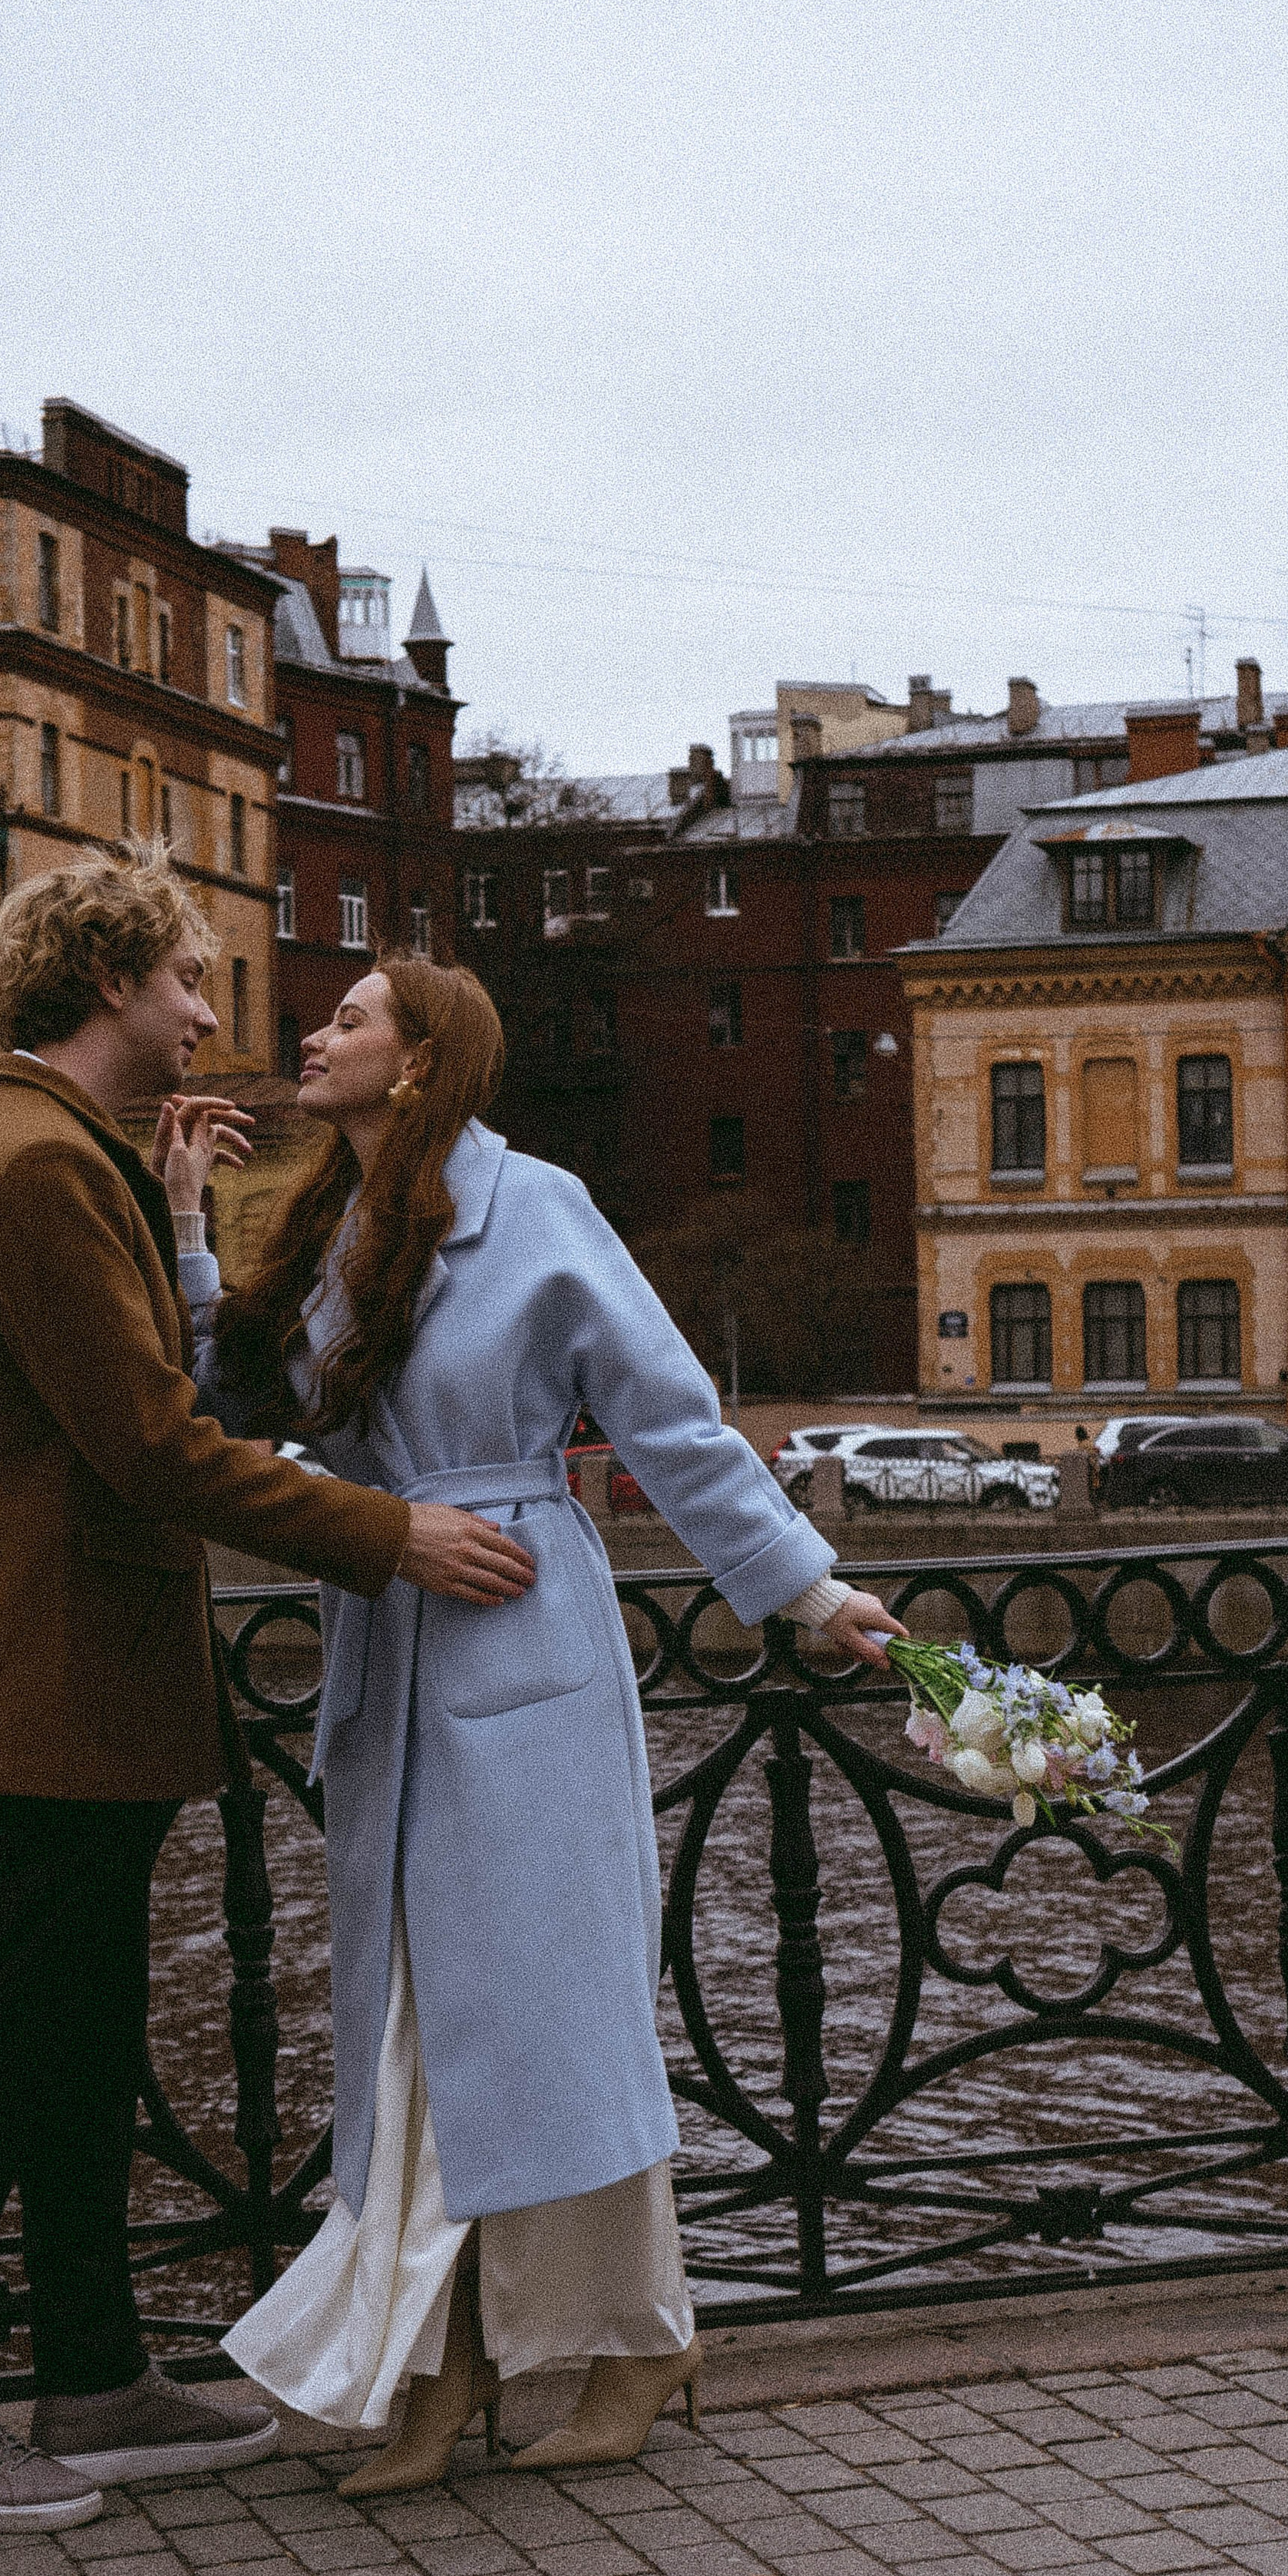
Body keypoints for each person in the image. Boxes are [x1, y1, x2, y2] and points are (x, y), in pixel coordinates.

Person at [0, 854, 533, 2535]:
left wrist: (175, 1221)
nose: (212, 1015)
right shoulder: (33, 1168)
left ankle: (90, 2372)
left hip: (73, 1678)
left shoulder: (53, 1151)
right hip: (51, 1676)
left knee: (75, 2039)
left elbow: (135, 1391)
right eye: (188, 980)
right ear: (108, 983)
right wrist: (388, 1534)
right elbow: (152, 1442)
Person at [187, 960, 903, 2493]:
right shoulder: (326, 1222)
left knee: (544, 2019)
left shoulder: (538, 1206)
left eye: (351, 1018)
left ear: (421, 1056)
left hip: (520, 1628)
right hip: (395, 1628)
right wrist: (193, 1233)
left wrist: (805, 1589)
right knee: (414, 2027)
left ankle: (628, 2343)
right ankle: (445, 2364)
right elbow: (235, 1412)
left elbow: (668, 1417)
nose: (315, 1034)